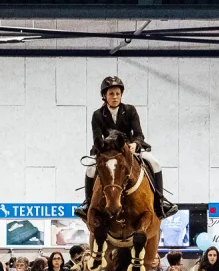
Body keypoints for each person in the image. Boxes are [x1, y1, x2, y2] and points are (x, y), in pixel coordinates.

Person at [75, 75, 178, 221]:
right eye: (111, 94)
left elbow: (139, 134)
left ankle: (160, 203)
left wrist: (135, 144)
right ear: (105, 96)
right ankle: (88, 205)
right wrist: (104, 148)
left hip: (130, 149)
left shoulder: (130, 110)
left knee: (155, 163)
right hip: (108, 152)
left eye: (118, 94)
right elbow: (97, 138)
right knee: (90, 169)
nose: (115, 97)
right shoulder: (97, 115)